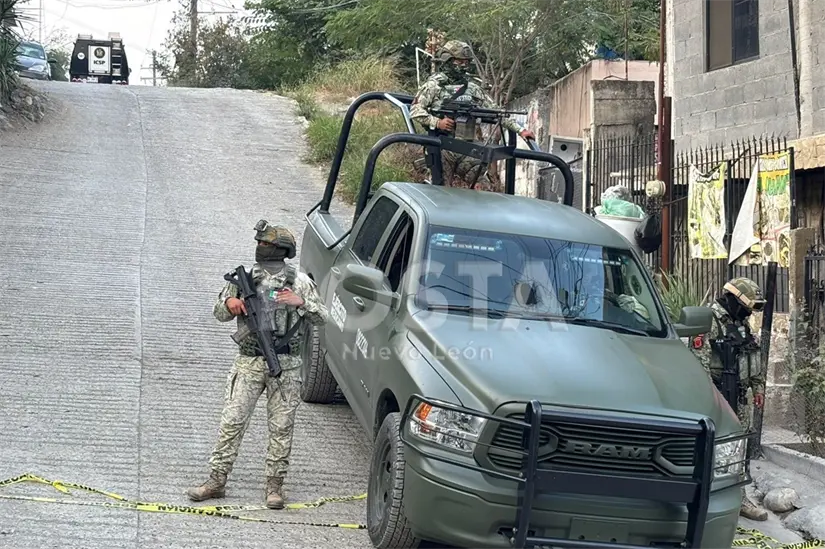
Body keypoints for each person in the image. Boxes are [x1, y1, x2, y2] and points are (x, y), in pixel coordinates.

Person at [186, 220, 328, 509]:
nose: (260, 248)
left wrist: (301, 303)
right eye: (259, 243)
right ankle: (216, 480)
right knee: (232, 421)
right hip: (249, 361)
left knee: (281, 427)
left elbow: (323, 318)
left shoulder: (300, 282)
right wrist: (229, 305)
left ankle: (274, 486)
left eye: (266, 244)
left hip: (285, 365)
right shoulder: (245, 278)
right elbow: (218, 312)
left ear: (281, 249)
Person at [409, 39, 535, 191]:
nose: (463, 66)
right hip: (440, 146)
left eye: (466, 62)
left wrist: (521, 130)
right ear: (447, 60)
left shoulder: (472, 89)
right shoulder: (433, 86)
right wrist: (437, 122)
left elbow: (497, 112)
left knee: (483, 187)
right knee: (440, 191)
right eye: (459, 61)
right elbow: (415, 110)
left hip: (465, 147)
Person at [691, 276, 768, 521]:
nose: (748, 312)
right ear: (733, 300)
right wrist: (710, 396)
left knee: (739, 449)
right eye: (746, 307)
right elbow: (699, 361)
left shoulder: (741, 323)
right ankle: (705, 497)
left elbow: (752, 355)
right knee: (711, 448)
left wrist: (757, 388)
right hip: (716, 395)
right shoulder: (710, 320)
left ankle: (739, 497)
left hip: (740, 395)